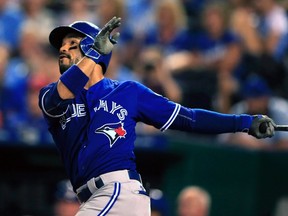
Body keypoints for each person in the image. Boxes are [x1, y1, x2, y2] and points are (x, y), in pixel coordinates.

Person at [39, 17, 276, 215]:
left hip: (118, 193)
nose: (62, 48)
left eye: (72, 43)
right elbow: (61, 95)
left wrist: (244, 122)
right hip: (92, 199)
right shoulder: (50, 94)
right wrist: (94, 54)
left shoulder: (128, 92)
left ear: (93, 47)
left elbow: (188, 118)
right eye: (61, 45)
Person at [218, 75, 288, 150]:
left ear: (267, 97)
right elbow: (222, 141)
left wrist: (260, 147)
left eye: (258, 97)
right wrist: (239, 141)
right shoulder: (239, 109)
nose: (254, 102)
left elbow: (286, 144)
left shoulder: (281, 109)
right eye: (251, 97)